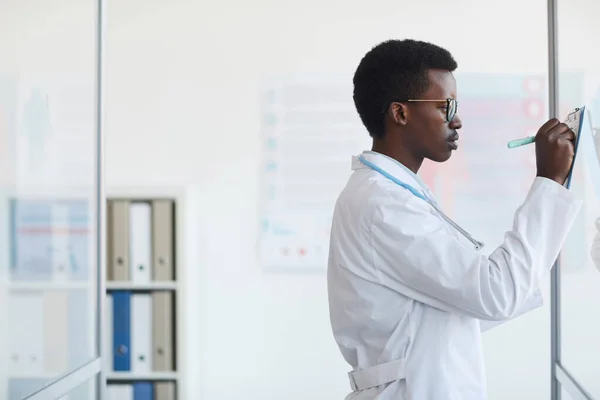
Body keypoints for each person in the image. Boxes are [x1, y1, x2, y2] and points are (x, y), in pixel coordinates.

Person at [326, 39, 582, 400]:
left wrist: (522, 276)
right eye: (446, 106)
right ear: (400, 113)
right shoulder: (383, 205)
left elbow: (462, 306)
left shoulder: (395, 194)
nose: (457, 120)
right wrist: (549, 182)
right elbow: (495, 295)